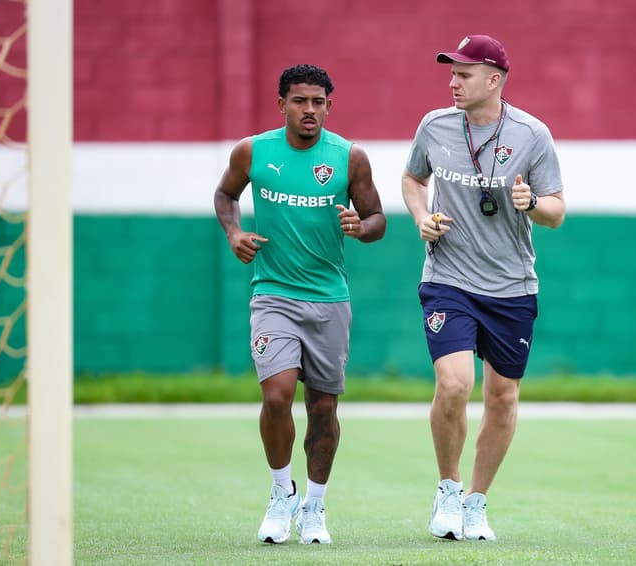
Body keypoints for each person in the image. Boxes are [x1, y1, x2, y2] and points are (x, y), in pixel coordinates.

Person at [401, 35, 565, 541]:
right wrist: (421, 216)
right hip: (448, 278)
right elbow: (412, 180)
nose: (452, 82)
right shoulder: (434, 125)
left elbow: (556, 212)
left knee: (502, 397)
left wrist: (530, 201)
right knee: (453, 384)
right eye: (451, 73)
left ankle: (476, 501)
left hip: (512, 286)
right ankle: (447, 490)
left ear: (494, 80)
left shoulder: (533, 134)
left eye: (464, 74)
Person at [214, 64, 386, 545]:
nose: (308, 110)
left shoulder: (349, 159)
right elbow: (225, 194)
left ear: (330, 105)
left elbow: (377, 220)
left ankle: (314, 506)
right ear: (281, 104)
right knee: (276, 396)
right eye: (299, 101)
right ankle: (278, 493)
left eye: (317, 102)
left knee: (323, 406)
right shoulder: (253, 151)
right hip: (273, 294)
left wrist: (360, 225)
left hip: (329, 300)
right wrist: (234, 233)